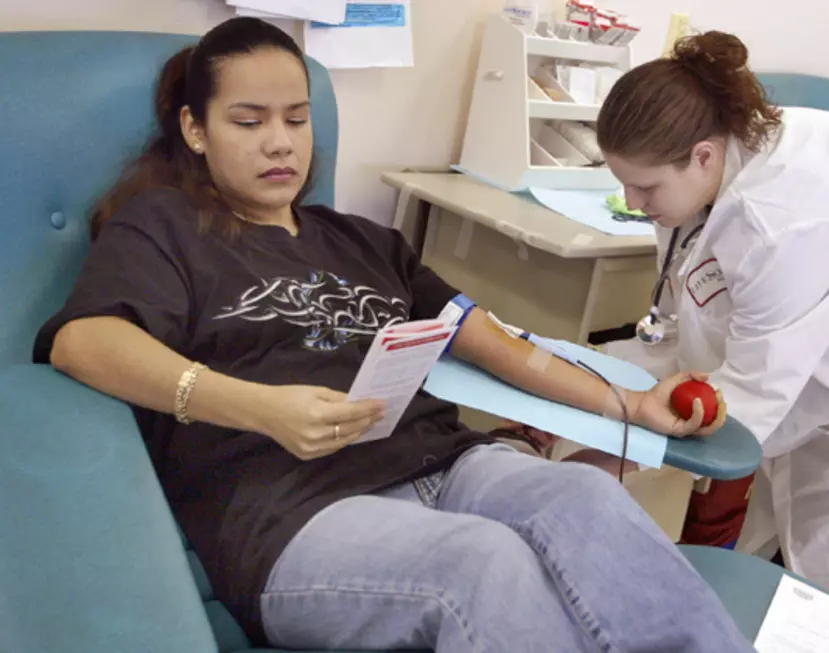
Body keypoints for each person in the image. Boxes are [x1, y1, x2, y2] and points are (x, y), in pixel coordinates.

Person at [32, 17, 752, 653]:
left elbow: (501, 347)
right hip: (288, 507)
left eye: (295, 117)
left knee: (587, 500)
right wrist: (259, 407)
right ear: (196, 130)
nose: (280, 143)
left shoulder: (364, 241)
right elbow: (84, 342)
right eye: (248, 122)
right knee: (485, 563)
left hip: (443, 460)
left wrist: (629, 406)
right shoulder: (163, 226)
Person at [595, 29, 829, 648]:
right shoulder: (720, 162)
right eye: (624, 184)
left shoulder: (783, 219)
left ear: (701, 155)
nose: (632, 203)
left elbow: (744, 408)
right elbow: (697, 323)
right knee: (789, 570)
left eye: (645, 189)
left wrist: (608, 435)